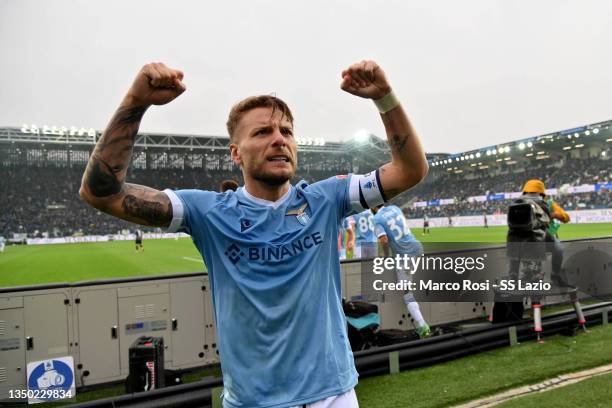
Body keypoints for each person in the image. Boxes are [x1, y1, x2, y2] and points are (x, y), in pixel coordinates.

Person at [79, 60, 428, 408]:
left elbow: (410, 170)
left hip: (333, 396)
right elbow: (102, 192)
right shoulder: (209, 212)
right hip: (254, 402)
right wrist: (136, 102)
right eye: (262, 132)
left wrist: (384, 97)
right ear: (235, 154)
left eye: (286, 132)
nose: (279, 140)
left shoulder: (326, 198)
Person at [372, 203, 431, 338]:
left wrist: (386, 255)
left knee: (406, 293)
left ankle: (422, 326)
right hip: (417, 247)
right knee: (412, 281)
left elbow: (384, 240)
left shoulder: (377, 219)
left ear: (373, 207)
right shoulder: (395, 208)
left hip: (405, 256)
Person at [517, 179, 570, 285]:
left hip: (545, 238)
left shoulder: (549, 203)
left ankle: (553, 275)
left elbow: (566, 218)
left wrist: (554, 215)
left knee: (557, 250)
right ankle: (531, 280)